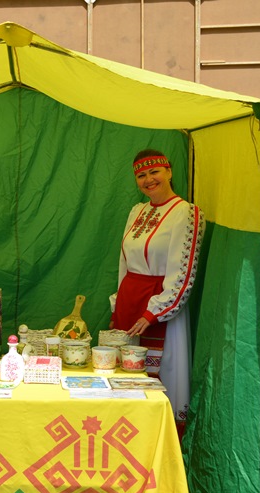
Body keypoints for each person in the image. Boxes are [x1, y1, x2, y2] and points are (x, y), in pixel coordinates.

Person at [109, 149, 205, 430]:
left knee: (161, 373)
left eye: (154, 172)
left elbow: (183, 273)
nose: (148, 179)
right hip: (130, 301)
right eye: (141, 175)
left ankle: (161, 436)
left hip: (161, 308)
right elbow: (124, 263)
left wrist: (154, 312)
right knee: (125, 373)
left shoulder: (186, 213)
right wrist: (118, 305)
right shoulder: (137, 211)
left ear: (169, 172)